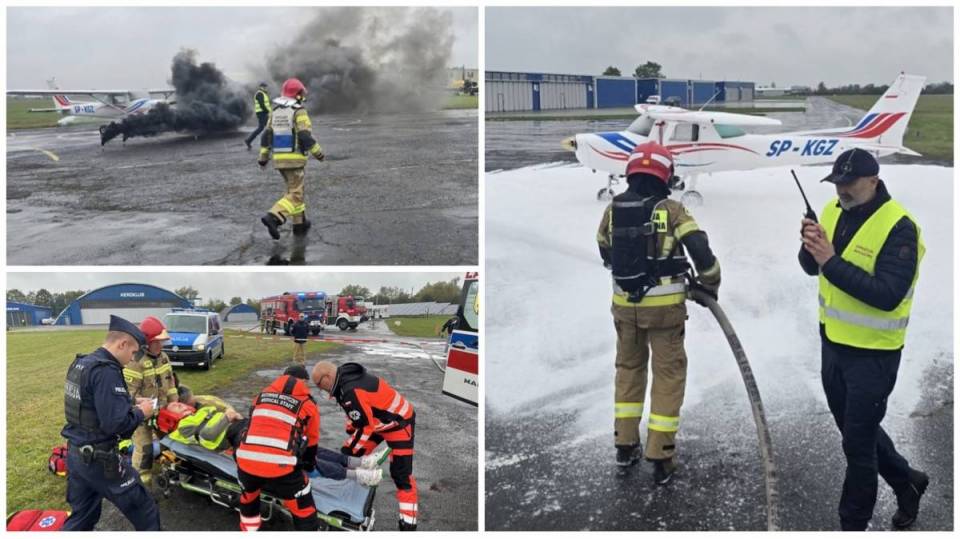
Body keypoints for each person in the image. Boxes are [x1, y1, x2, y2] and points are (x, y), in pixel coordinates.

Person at [798, 148, 928, 531]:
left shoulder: (899, 226)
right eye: (837, 182)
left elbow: (887, 295)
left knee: (857, 447)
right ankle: (908, 482)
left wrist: (829, 260)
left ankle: (851, 524)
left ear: (874, 180)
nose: (842, 190)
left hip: (874, 354)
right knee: (857, 430)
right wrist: (809, 244)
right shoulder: (832, 210)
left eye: (850, 183)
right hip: (833, 345)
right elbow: (811, 267)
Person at [596, 141, 720, 485]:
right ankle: (661, 454)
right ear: (666, 174)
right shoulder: (673, 209)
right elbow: (701, 250)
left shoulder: (614, 209)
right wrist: (710, 283)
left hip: (624, 307)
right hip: (665, 312)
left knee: (628, 370)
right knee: (668, 376)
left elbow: (604, 247)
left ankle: (625, 445)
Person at [169, 385, 383, 486]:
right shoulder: (184, 426)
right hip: (241, 436)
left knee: (305, 444)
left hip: (248, 425)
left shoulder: (199, 410)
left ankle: (359, 462)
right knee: (297, 455)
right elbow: (206, 438)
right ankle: (358, 475)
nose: (179, 405)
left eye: (179, 403)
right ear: (173, 415)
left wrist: (231, 414)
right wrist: (227, 417)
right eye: (175, 407)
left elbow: (223, 411)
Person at [61, 315, 161, 531]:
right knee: (145, 509)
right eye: (133, 352)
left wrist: (132, 400)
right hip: (100, 459)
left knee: (82, 518)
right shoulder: (107, 370)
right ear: (122, 344)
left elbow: (90, 401)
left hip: (76, 455)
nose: (132, 358)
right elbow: (117, 424)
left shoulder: (82, 363)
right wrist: (141, 412)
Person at [311, 361, 419, 530]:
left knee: (401, 475)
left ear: (328, 377)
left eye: (319, 384)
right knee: (349, 453)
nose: (320, 388)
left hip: (400, 423)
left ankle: (408, 523)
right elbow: (357, 413)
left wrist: (349, 452)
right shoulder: (341, 383)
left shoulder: (349, 390)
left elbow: (364, 427)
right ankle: (352, 499)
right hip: (377, 421)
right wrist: (350, 440)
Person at [234, 365, 320, 531]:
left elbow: (254, 424)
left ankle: (249, 530)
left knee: (249, 501)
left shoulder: (261, 396)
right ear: (304, 381)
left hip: (246, 463)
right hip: (283, 469)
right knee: (304, 510)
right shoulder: (308, 404)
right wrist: (308, 466)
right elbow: (312, 442)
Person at [258, 78, 325, 240]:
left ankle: (299, 223)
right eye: (301, 93)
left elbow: (266, 136)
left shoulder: (275, 111)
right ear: (297, 94)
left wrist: (263, 157)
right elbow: (304, 135)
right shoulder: (299, 111)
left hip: (279, 160)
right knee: (295, 194)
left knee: (294, 191)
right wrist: (318, 153)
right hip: (294, 160)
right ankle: (274, 216)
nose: (303, 96)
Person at [123, 316, 178, 484]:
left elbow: (170, 383)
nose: (160, 346)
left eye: (162, 342)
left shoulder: (163, 357)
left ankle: (169, 470)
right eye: (157, 342)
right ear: (146, 342)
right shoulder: (135, 362)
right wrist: (145, 409)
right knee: (145, 447)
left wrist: (174, 402)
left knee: (170, 442)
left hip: (164, 411)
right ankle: (141, 481)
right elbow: (128, 395)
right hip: (143, 414)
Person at [244, 82, 271, 150]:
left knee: (261, 128)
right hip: (262, 113)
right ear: (260, 87)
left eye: (265, 87)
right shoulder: (259, 94)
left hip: (263, 113)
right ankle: (268, 143)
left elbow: (266, 104)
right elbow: (262, 104)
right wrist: (267, 111)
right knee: (269, 127)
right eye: (264, 87)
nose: (265, 88)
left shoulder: (263, 94)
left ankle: (248, 140)